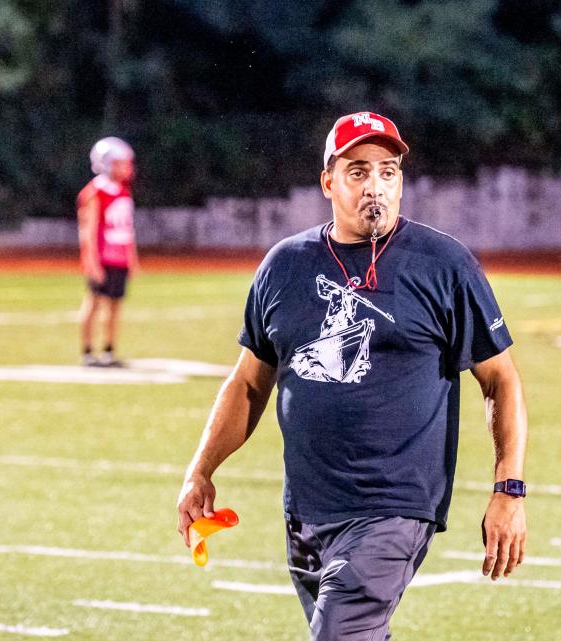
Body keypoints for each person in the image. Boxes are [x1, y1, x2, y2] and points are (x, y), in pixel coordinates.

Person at [176, 111, 529, 640]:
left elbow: (501, 380)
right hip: (307, 510)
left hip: (394, 507)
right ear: (328, 182)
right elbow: (249, 383)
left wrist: (510, 488)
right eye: (358, 171)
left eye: (388, 171)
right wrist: (201, 470)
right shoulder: (284, 266)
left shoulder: (443, 264)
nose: (376, 187)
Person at [77, 136, 138, 367]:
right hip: (103, 257)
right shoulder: (95, 192)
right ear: (108, 162)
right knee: (93, 304)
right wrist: (92, 261)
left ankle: (109, 351)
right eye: (122, 162)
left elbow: (128, 230)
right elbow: (88, 231)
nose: (128, 167)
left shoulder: (123, 191)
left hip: (120, 258)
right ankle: (87, 351)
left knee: (115, 305)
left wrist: (132, 258)